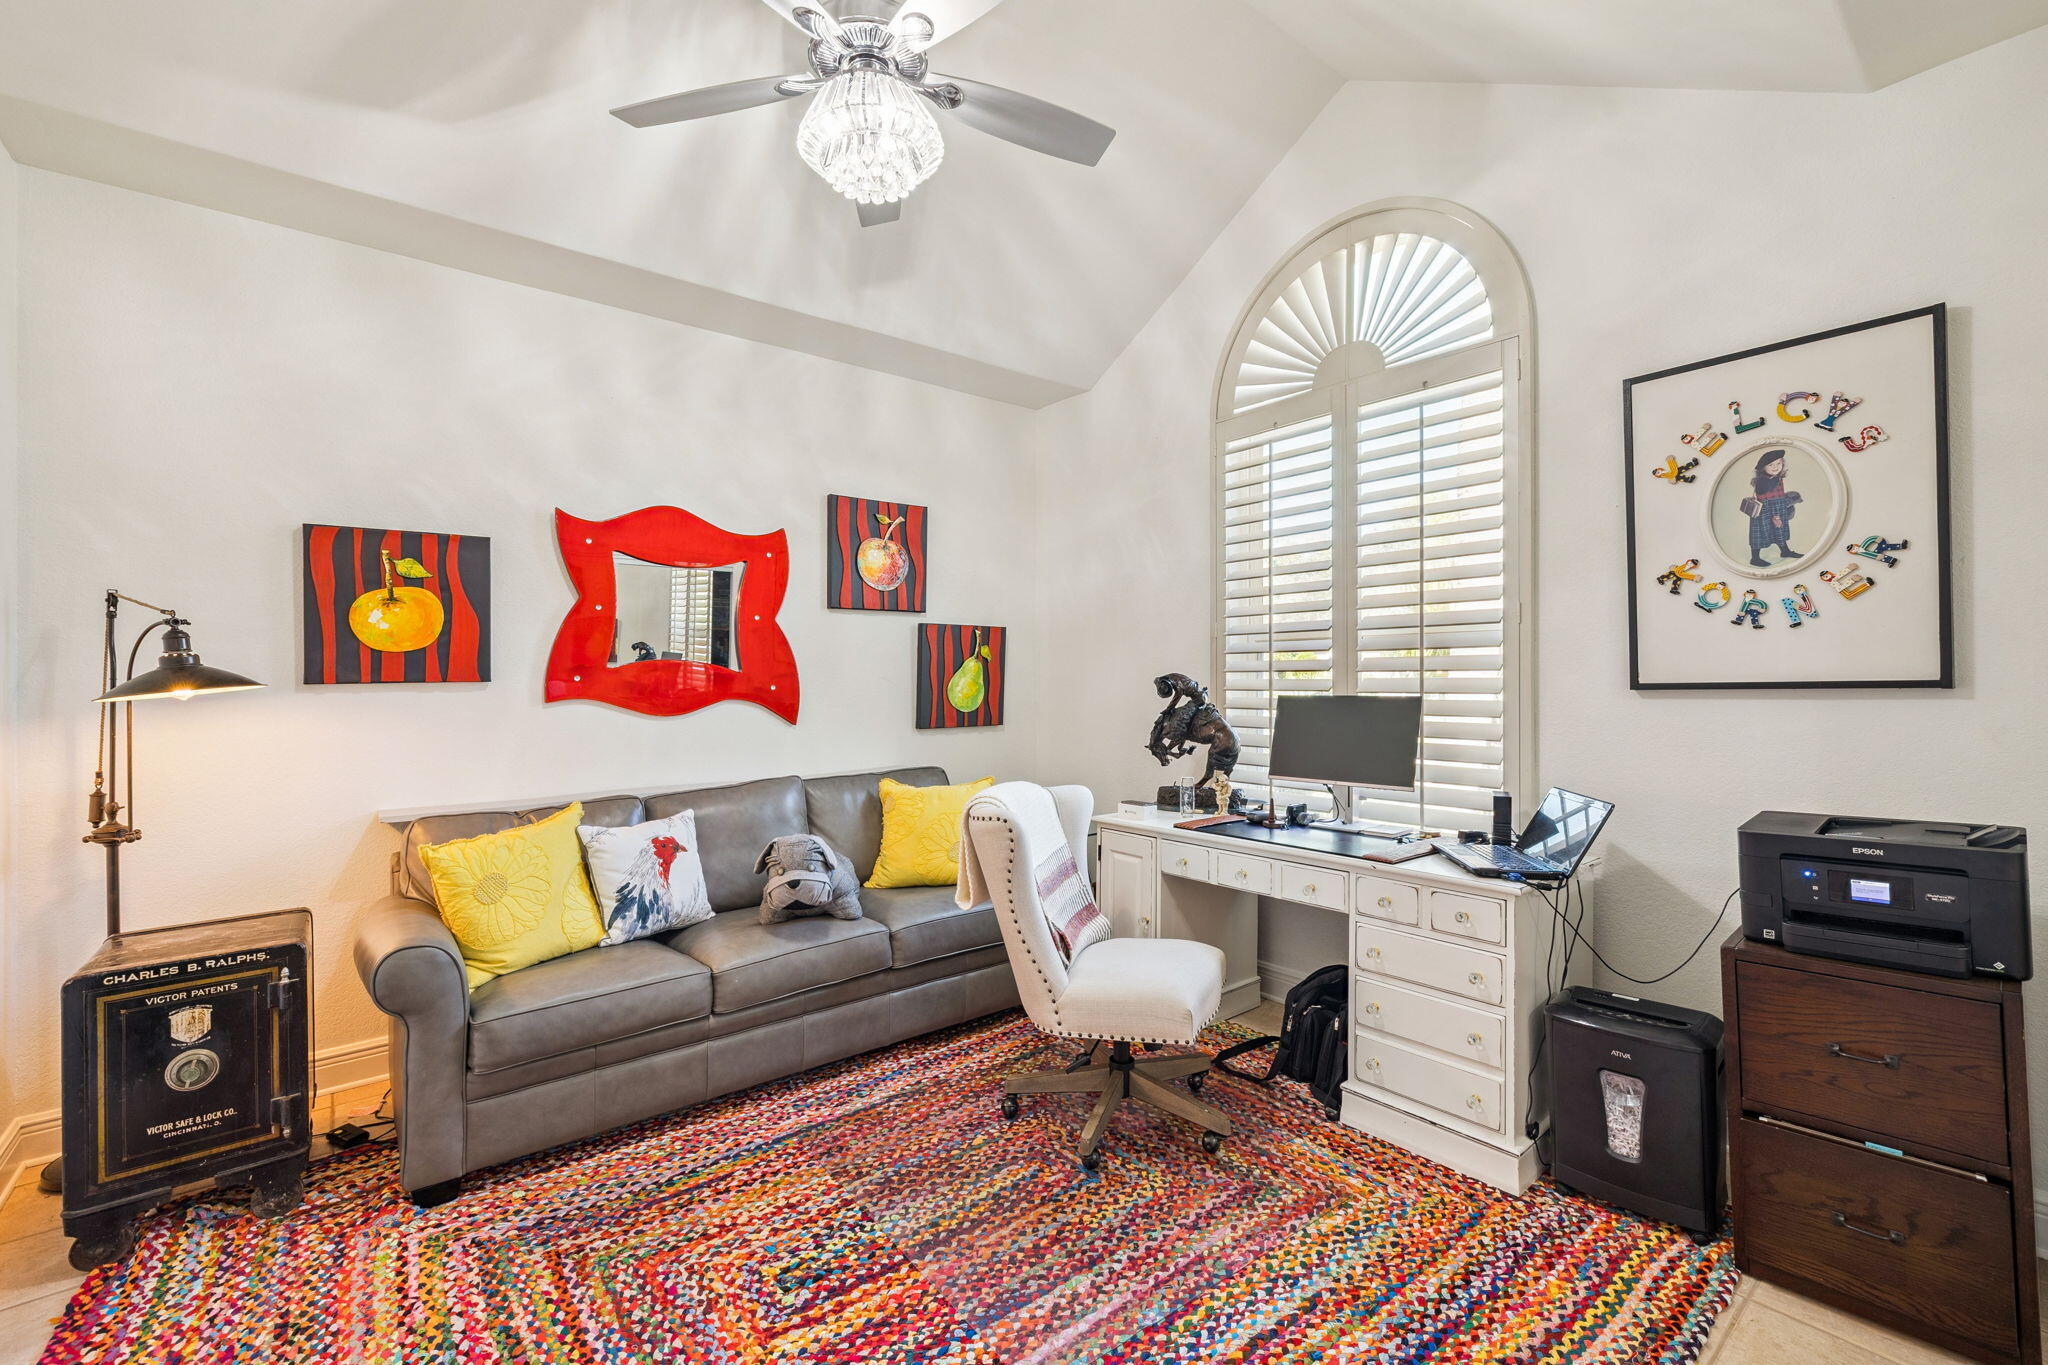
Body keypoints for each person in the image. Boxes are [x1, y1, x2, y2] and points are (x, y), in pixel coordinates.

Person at [1741, 449, 1804, 568]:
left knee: (1779, 530)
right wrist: (1774, 515)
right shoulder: (1763, 480)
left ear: (1783, 463)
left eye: (1778, 463)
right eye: (1771, 465)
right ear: (1763, 468)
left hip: (1777, 507)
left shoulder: (1777, 477)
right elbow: (1762, 493)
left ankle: (1785, 551)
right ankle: (1755, 558)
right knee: (1760, 533)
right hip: (1765, 510)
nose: (1775, 467)